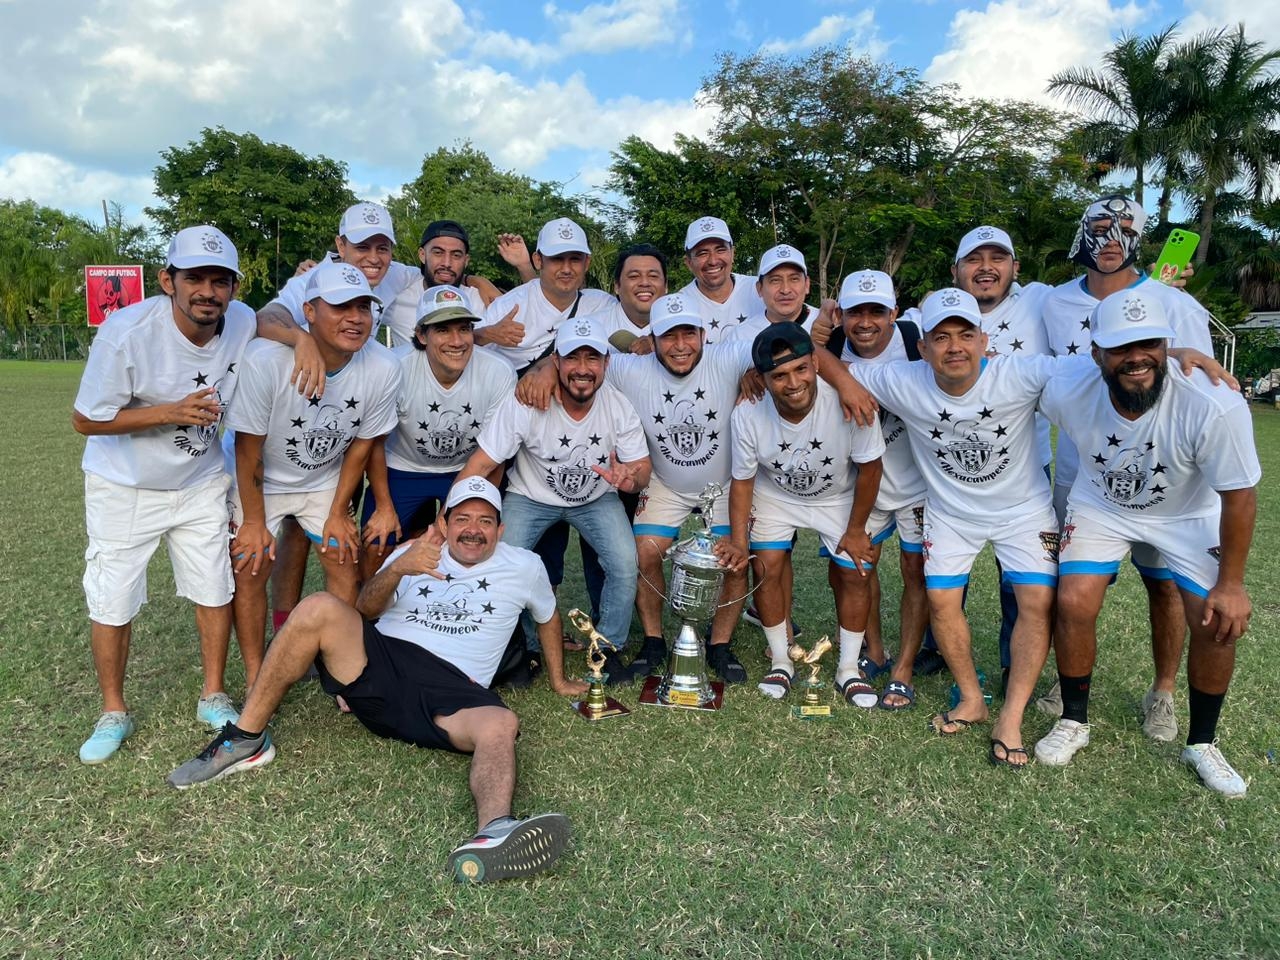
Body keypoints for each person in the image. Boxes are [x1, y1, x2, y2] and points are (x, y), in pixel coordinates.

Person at [166, 478, 587, 882]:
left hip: (454, 690)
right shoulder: (412, 552)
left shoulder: (525, 566)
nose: (473, 530)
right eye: (462, 519)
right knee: (317, 607)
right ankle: (246, 738)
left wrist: (559, 680)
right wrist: (399, 567)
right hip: (383, 668)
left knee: (501, 724)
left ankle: (494, 831)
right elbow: (365, 609)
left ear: (501, 528)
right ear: (442, 523)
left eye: (484, 521)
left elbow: (547, 618)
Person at [1033, 289, 1259, 795]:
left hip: (1187, 513)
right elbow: (993, 370)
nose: (1137, 357)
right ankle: (1074, 719)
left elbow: (1240, 498)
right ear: (1095, 354)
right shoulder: (1068, 383)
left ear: (1167, 343)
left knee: (1214, 618)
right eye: (1121, 347)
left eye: (1150, 343)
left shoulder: (1213, 403)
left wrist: (1233, 583)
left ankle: (1202, 742)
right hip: (1102, 506)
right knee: (1072, 600)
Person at [851, 289, 1060, 765]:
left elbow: (1100, 366)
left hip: (1024, 510)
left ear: (985, 341)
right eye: (941, 337)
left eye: (966, 335)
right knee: (942, 600)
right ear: (922, 348)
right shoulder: (904, 380)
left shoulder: (1021, 372)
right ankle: (972, 697)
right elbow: (827, 365)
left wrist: (1184, 352)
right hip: (950, 512)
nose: (954, 347)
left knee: (1037, 601)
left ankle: (1012, 715)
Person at [72, 225, 255, 764]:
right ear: (166, 280)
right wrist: (171, 411)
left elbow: (277, 321)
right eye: (194, 277)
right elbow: (85, 419)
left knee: (213, 586)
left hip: (199, 479)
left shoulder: (241, 321)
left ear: (234, 288)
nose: (207, 291)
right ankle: (113, 712)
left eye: (219, 280)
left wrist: (304, 346)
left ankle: (213, 694)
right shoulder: (127, 332)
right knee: (113, 596)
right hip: (124, 485)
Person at [1040, 195, 1216, 737]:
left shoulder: (1173, 303)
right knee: (1073, 586)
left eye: (1125, 228)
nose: (1111, 236)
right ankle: (1066, 681)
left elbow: (1199, 379)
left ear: (1140, 236)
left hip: (1165, 484)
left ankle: (1162, 691)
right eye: (1100, 224)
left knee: (1163, 585)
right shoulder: (1052, 303)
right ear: (1082, 230)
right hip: (1084, 474)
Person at [224, 261, 401, 688]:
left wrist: (340, 510)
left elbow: (362, 444)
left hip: (323, 479)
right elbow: (249, 450)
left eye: (363, 307)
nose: (355, 318)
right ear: (309, 311)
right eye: (340, 307)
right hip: (259, 481)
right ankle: (257, 674)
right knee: (250, 565)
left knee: (343, 557)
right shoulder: (264, 360)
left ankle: (343, 673)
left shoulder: (383, 366)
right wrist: (252, 522)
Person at [454, 316, 651, 681]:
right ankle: (525, 648)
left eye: (592, 359)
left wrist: (630, 478)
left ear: (606, 363)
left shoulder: (618, 405)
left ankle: (607, 648)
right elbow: (482, 463)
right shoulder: (528, 400)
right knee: (500, 558)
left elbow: (641, 468)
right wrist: (451, 514)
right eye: (572, 358)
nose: (582, 369)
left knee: (625, 563)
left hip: (596, 497)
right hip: (529, 495)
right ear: (555, 362)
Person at [728, 323, 885, 706]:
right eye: (779, 375)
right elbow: (743, 482)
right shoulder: (747, 412)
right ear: (761, 379)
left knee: (856, 570)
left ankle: (848, 668)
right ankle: (781, 660)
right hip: (776, 494)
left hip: (838, 496)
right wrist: (738, 541)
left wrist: (856, 529)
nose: (793, 382)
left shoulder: (849, 401)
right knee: (765, 566)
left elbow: (871, 468)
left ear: (816, 362)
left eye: (801, 369)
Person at [820, 270, 930, 709]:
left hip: (919, 483)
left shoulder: (914, 339)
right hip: (862, 485)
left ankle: (903, 668)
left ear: (894, 314)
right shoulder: (828, 345)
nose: (866, 322)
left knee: (914, 572)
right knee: (857, 571)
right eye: (855, 312)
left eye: (876, 311)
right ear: (840, 314)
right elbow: (799, 351)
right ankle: (876, 650)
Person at [358, 285, 516, 580]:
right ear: (421, 334)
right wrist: (383, 506)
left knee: (477, 543)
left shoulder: (498, 372)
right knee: (376, 541)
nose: (457, 341)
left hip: (468, 468)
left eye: (465, 329)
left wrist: (448, 517)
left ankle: (470, 613)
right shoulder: (395, 368)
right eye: (443, 330)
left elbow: (495, 456)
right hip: (403, 467)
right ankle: (371, 618)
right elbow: (374, 442)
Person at [474, 217, 615, 374]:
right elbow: (462, 344)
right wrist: (487, 333)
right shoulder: (508, 305)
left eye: (575, 259)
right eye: (557, 259)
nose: (567, 269)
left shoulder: (602, 304)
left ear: (586, 263)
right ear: (538, 260)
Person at [678, 216, 765, 345]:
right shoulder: (680, 305)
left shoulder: (761, 290)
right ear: (689, 262)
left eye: (720, 250)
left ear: (733, 253)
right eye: (702, 253)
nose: (713, 261)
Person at [719, 244, 821, 344]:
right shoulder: (740, 337)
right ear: (760, 288)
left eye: (794, 279)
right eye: (775, 280)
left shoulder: (825, 325)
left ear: (807, 284)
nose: (785, 290)